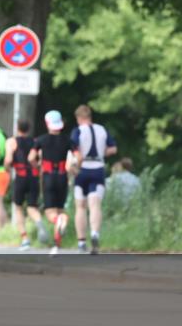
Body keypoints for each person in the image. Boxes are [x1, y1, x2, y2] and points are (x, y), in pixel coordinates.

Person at [70, 105, 117, 254]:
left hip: (82, 169)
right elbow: (113, 148)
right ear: (90, 116)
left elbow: (74, 149)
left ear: (79, 118)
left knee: (80, 206)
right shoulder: (102, 129)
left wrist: (75, 165)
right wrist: (102, 152)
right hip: (98, 168)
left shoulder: (78, 131)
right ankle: (95, 233)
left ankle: (81, 242)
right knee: (95, 204)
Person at [29, 110, 72, 255]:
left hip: (48, 176)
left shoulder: (41, 140)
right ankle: (57, 243)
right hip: (62, 176)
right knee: (60, 210)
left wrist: (38, 166)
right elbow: (78, 157)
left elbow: (31, 158)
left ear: (47, 123)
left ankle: (59, 222)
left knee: (50, 212)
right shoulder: (68, 140)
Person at [5, 120, 47, 249]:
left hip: (20, 177)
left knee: (18, 208)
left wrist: (7, 168)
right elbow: (40, 160)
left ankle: (25, 239)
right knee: (32, 207)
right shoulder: (35, 142)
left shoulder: (12, 142)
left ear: (17, 128)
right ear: (29, 129)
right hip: (33, 177)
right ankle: (39, 223)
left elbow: (9, 159)